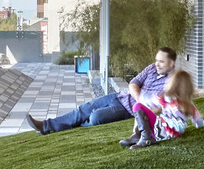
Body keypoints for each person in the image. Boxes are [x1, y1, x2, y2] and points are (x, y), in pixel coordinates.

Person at [26, 46, 175, 134]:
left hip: (127, 110)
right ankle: (45, 126)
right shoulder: (152, 68)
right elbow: (133, 84)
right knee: (83, 110)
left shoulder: (172, 83)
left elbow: (157, 108)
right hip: (119, 97)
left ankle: (67, 126)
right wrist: (141, 100)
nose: (157, 64)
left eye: (161, 61)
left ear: (171, 63)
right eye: (157, 60)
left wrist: (139, 103)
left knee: (95, 117)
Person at [126, 69, 204, 147]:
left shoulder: (166, 98)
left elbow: (148, 102)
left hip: (161, 131)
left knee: (137, 105)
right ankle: (140, 136)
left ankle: (144, 138)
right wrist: (202, 125)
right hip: (174, 134)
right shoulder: (188, 104)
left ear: (173, 84)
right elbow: (198, 119)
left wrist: (141, 96)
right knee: (149, 114)